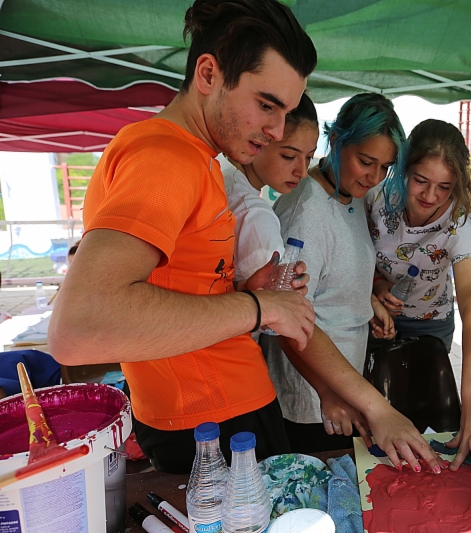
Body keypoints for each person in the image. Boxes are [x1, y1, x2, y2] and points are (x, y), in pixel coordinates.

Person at [48, 0, 317, 474]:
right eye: (266, 105)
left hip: (215, 411)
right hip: (211, 421)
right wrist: (262, 308)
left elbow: (175, 290)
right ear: (209, 75)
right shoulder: (165, 158)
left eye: (286, 112)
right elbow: (80, 327)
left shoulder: (194, 159)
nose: (276, 132)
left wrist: (246, 292)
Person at [265, 94, 443, 473]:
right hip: (313, 400)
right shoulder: (306, 212)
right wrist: (329, 391)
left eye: (385, 167)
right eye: (365, 162)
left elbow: (337, 270)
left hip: (343, 386)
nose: (374, 177)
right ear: (337, 140)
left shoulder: (351, 195)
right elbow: (285, 320)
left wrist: (369, 298)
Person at [366, 119, 471, 468]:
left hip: (432, 323)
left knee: (429, 407)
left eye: (444, 186)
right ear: (403, 169)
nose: (430, 197)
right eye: (421, 181)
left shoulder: (458, 221)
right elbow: (356, 258)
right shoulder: (376, 196)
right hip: (373, 318)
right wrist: (375, 289)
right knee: (377, 414)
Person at [220, 92, 319, 289]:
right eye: (289, 156)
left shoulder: (224, 177)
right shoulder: (255, 216)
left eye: (309, 157)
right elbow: (270, 307)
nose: (302, 171)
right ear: (259, 141)